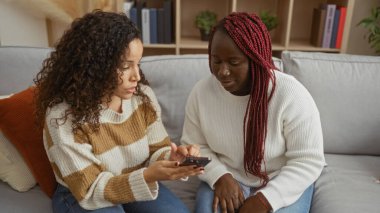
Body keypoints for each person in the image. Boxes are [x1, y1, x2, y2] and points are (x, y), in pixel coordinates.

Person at [34, 10, 203, 213]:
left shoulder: (143, 98)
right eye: (125, 66)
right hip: (83, 193)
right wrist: (148, 176)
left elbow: (157, 149)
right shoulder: (62, 118)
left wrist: (173, 158)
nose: (137, 76)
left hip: (136, 178)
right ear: (96, 65)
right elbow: (90, 189)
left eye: (138, 64)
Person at [181, 12, 325, 213]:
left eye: (233, 62)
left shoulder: (290, 94)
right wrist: (219, 176)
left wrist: (266, 200)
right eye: (216, 60)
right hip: (227, 178)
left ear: (256, 60)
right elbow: (192, 149)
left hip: (281, 180)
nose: (222, 71)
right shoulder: (201, 93)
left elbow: (309, 161)